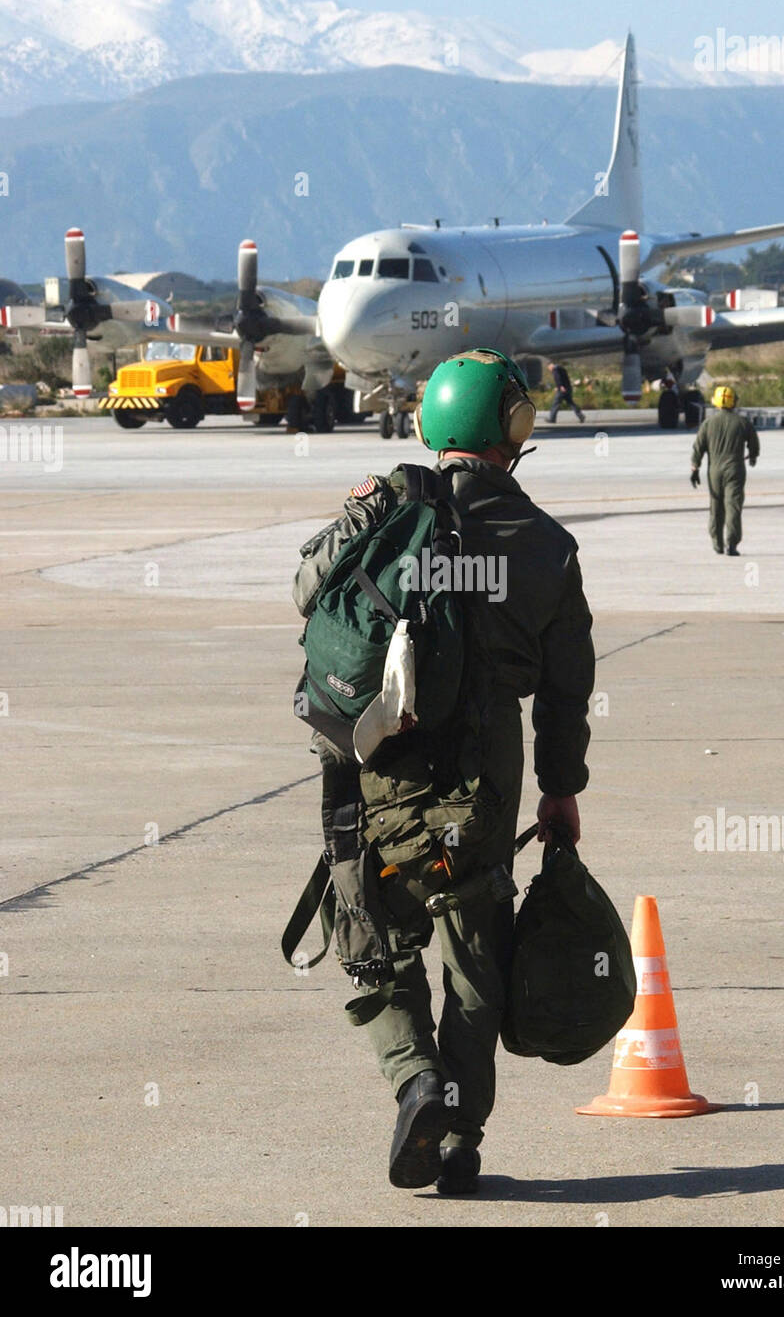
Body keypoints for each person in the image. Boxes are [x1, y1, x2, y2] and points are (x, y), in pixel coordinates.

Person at [292, 348, 595, 1194]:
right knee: (475, 958)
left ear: (431, 424)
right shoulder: (549, 547)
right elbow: (567, 693)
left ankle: (413, 1080)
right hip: (485, 788)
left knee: (373, 942)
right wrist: (561, 791)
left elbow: (305, 588)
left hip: (377, 774)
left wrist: (365, 514)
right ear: (513, 429)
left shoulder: (391, 506)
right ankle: (460, 1137)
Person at [690, 385, 760, 555]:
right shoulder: (743, 423)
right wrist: (752, 456)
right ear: (733, 402)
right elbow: (754, 444)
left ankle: (717, 543)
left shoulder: (708, 424)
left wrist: (694, 468)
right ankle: (732, 544)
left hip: (714, 471)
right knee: (733, 506)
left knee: (716, 507)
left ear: (716, 403)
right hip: (735, 470)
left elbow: (698, 447)